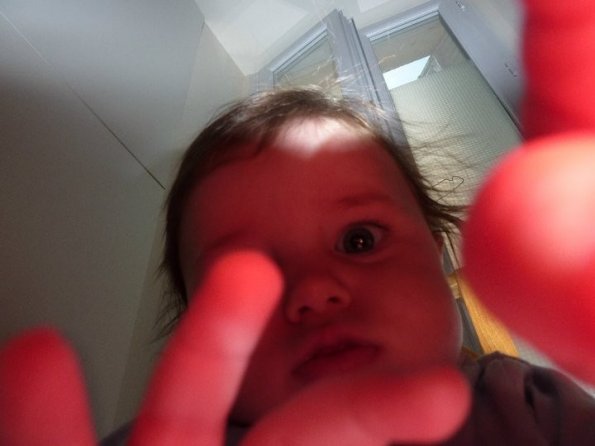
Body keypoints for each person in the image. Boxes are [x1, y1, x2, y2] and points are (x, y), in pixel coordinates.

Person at [1, 87, 594, 446]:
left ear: (439, 256)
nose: (312, 291)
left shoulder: (528, 406)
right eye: (247, 279)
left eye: (359, 240)